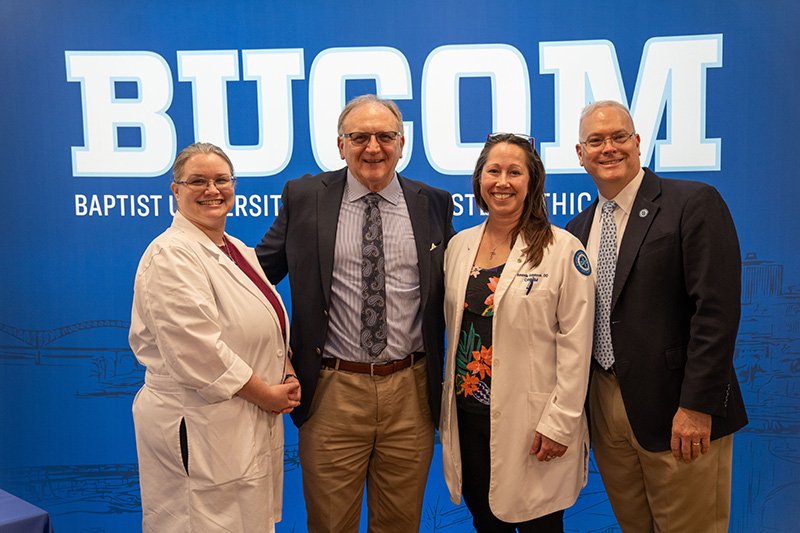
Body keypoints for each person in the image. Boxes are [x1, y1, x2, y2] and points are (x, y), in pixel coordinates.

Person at [256, 94, 455, 532]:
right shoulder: (304, 197)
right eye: (359, 136)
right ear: (340, 144)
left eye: (385, 136)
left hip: (411, 393)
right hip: (332, 392)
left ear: (402, 144)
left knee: (401, 525)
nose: (373, 147)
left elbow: (456, 288)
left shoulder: (434, 203)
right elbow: (254, 279)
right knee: (330, 525)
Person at [566, 101, 748, 532]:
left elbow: (717, 313)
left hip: (679, 412)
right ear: (579, 153)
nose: (608, 148)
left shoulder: (692, 203)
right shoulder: (576, 229)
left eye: (618, 137)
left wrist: (696, 405)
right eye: (596, 140)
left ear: (637, 143)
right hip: (607, 409)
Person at [129, 142, 300, 532]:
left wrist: (285, 371)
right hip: (197, 424)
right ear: (176, 190)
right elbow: (199, 352)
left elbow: (267, 322)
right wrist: (268, 394)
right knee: (199, 521)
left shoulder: (236, 248)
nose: (212, 190)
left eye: (222, 180)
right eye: (198, 181)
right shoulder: (170, 256)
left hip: (242, 423)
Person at [440, 133, 594, 532]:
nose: (502, 181)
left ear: (532, 182)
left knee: (540, 524)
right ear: (479, 180)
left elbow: (577, 347)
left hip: (534, 425)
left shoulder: (562, 248)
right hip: (470, 419)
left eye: (514, 172)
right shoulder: (459, 246)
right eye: (493, 171)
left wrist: (559, 423)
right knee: (486, 521)